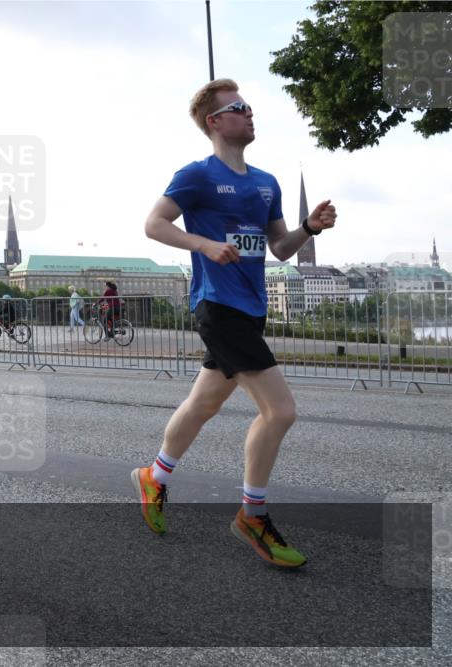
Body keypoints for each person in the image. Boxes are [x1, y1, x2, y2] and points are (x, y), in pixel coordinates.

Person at [131, 78, 336, 568]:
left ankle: (153, 478)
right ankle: (253, 516)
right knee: (280, 411)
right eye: (239, 107)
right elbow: (154, 224)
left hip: (251, 307)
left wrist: (309, 228)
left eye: (248, 107)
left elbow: (279, 248)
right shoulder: (196, 175)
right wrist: (202, 245)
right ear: (215, 122)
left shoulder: (266, 182)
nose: (250, 113)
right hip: (217, 307)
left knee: (201, 404)